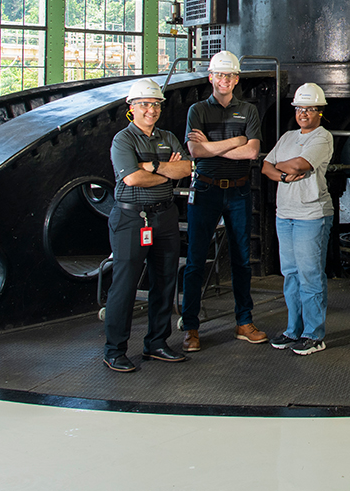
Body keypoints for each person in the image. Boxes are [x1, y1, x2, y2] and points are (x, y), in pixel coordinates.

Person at [178, 50, 268, 351]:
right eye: (219, 75)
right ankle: (190, 327)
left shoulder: (249, 110)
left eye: (229, 75)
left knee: (241, 260)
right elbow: (196, 153)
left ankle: (244, 322)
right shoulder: (197, 111)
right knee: (195, 261)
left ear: (236, 79)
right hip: (205, 190)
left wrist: (213, 146)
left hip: (239, 191)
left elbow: (252, 152)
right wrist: (235, 141)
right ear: (211, 77)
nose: (224, 80)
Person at [103, 78, 192, 372]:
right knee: (125, 285)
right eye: (144, 104)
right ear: (132, 108)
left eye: (155, 104)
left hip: (165, 216)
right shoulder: (123, 140)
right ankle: (114, 350)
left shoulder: (167, 137)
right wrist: (167, 172)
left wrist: (152, 167)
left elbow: (186, 168)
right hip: (131, 218)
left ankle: (156, 343)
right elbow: (132, 179)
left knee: (165, 281)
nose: (150, 110)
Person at [262, 83, 335, 355]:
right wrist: (282, 174)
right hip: (286, 214)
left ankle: (314, 335)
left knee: (310, 275)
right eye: (300, 108)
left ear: (320, 112)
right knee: (290, 275)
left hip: (311, 216)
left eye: (310, 109)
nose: (304, 113)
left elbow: (299, 166)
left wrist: (283, 166)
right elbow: (265, 167)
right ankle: (293, 330)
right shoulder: (288, 137)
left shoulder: (322, 137)